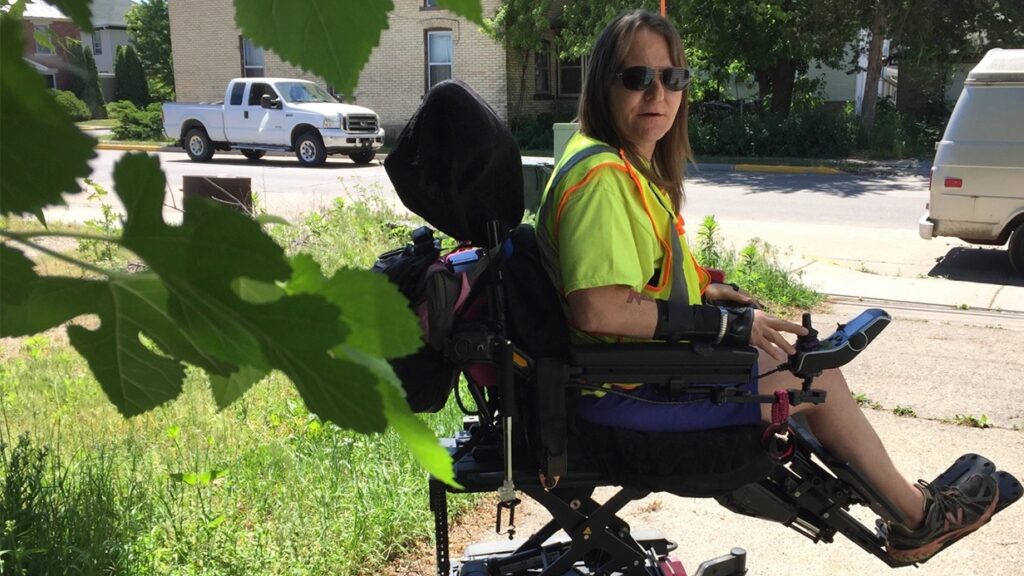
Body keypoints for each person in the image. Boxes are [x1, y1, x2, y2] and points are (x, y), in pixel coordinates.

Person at [535, 9, 999, 565]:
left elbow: (640, 280)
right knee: (813, 374)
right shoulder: (602, 180)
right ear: (602, 84)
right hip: (623, 394)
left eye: (672, 78)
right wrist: (726, 325)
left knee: (795, 355)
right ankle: (919, 519)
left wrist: (708, 293)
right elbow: (599, 309)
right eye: (637, 77)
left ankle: (906, 507)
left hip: (629, 376)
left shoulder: (619, 165)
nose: (657, 92)